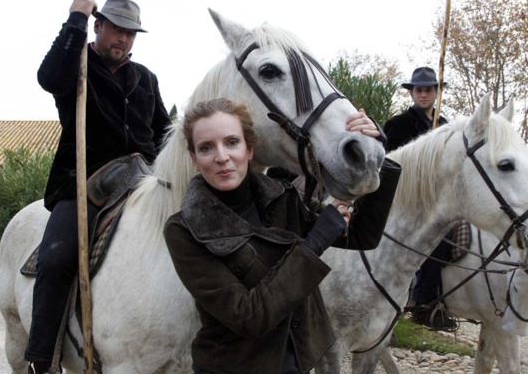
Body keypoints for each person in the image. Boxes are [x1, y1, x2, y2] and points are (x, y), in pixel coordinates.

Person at [164, 98, 401, 374]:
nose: (221, 157)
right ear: (194, 159)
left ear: (249, 149)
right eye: (206, 147)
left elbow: (361, 236)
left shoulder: (281, 197)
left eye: (232, 142)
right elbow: (248, 316)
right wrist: (316, 241)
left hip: (294, 364)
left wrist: (375, 150)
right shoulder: (184, 230)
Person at [25, 0, 171, 373]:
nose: (122, 39)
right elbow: (48, 78)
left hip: (141, 182)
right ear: (98, 26)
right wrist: (74, 18)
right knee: (57, 258)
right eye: (116, 30)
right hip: (84, 184)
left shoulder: (147, 79)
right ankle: (42, 360)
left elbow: (163, 134)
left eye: (130, 33)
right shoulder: (76, 68)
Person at [383, 66, 454, 330]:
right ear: (412, 93)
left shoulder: (444, 126)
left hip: (440, 199)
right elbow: (389, 165)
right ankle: (424, 303)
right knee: (439, 237)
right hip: (407, 200)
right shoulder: (397, 125)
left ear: (436, 93)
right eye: (419, 90)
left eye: (428, 90)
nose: (423, 94)